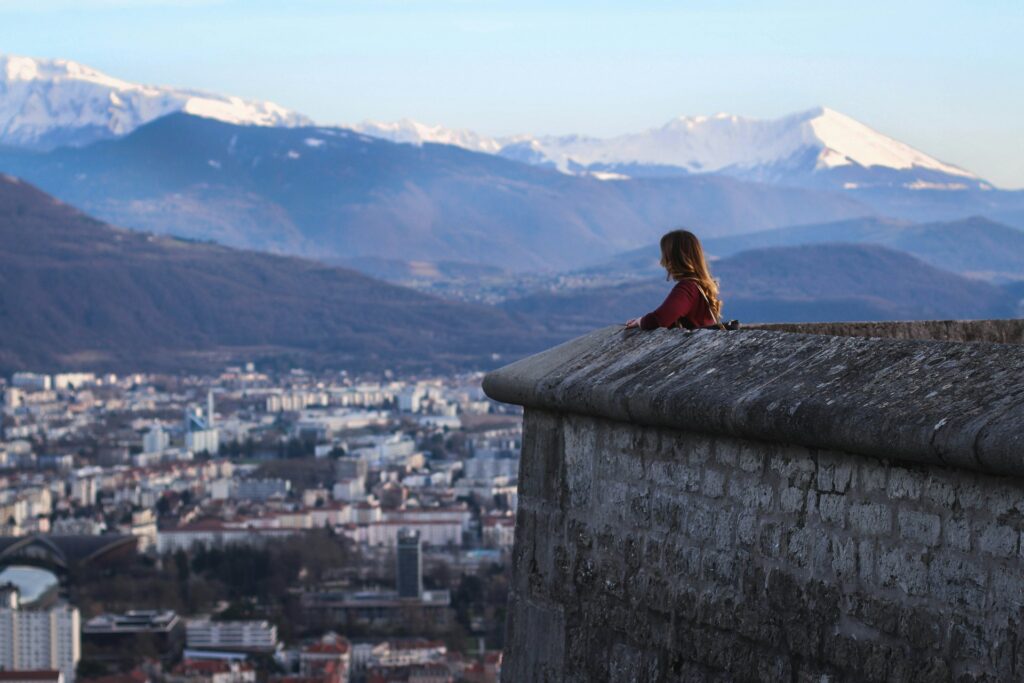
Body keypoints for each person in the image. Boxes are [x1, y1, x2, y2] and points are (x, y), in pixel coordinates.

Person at [625, 229, 722, 330]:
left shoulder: (688, 287)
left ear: (674, 258)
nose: (663, 260)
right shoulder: (700, 284)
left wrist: (641, 321)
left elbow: (660, 319)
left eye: (665, 255)